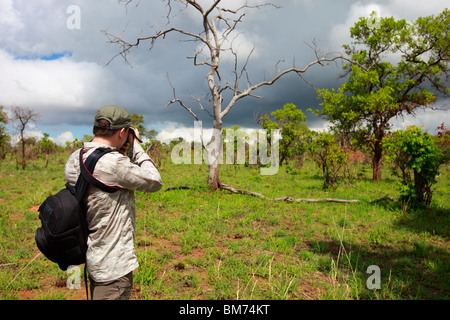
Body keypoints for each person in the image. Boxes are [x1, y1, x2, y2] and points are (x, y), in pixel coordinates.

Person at [64, 105, 163, 300]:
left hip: (92, 256)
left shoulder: (75, 158)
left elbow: (105, 179)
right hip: (113, 267)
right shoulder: (114, 163)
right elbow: (154, 181)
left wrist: (120, 148)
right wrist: (136, 146)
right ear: (121, 132)